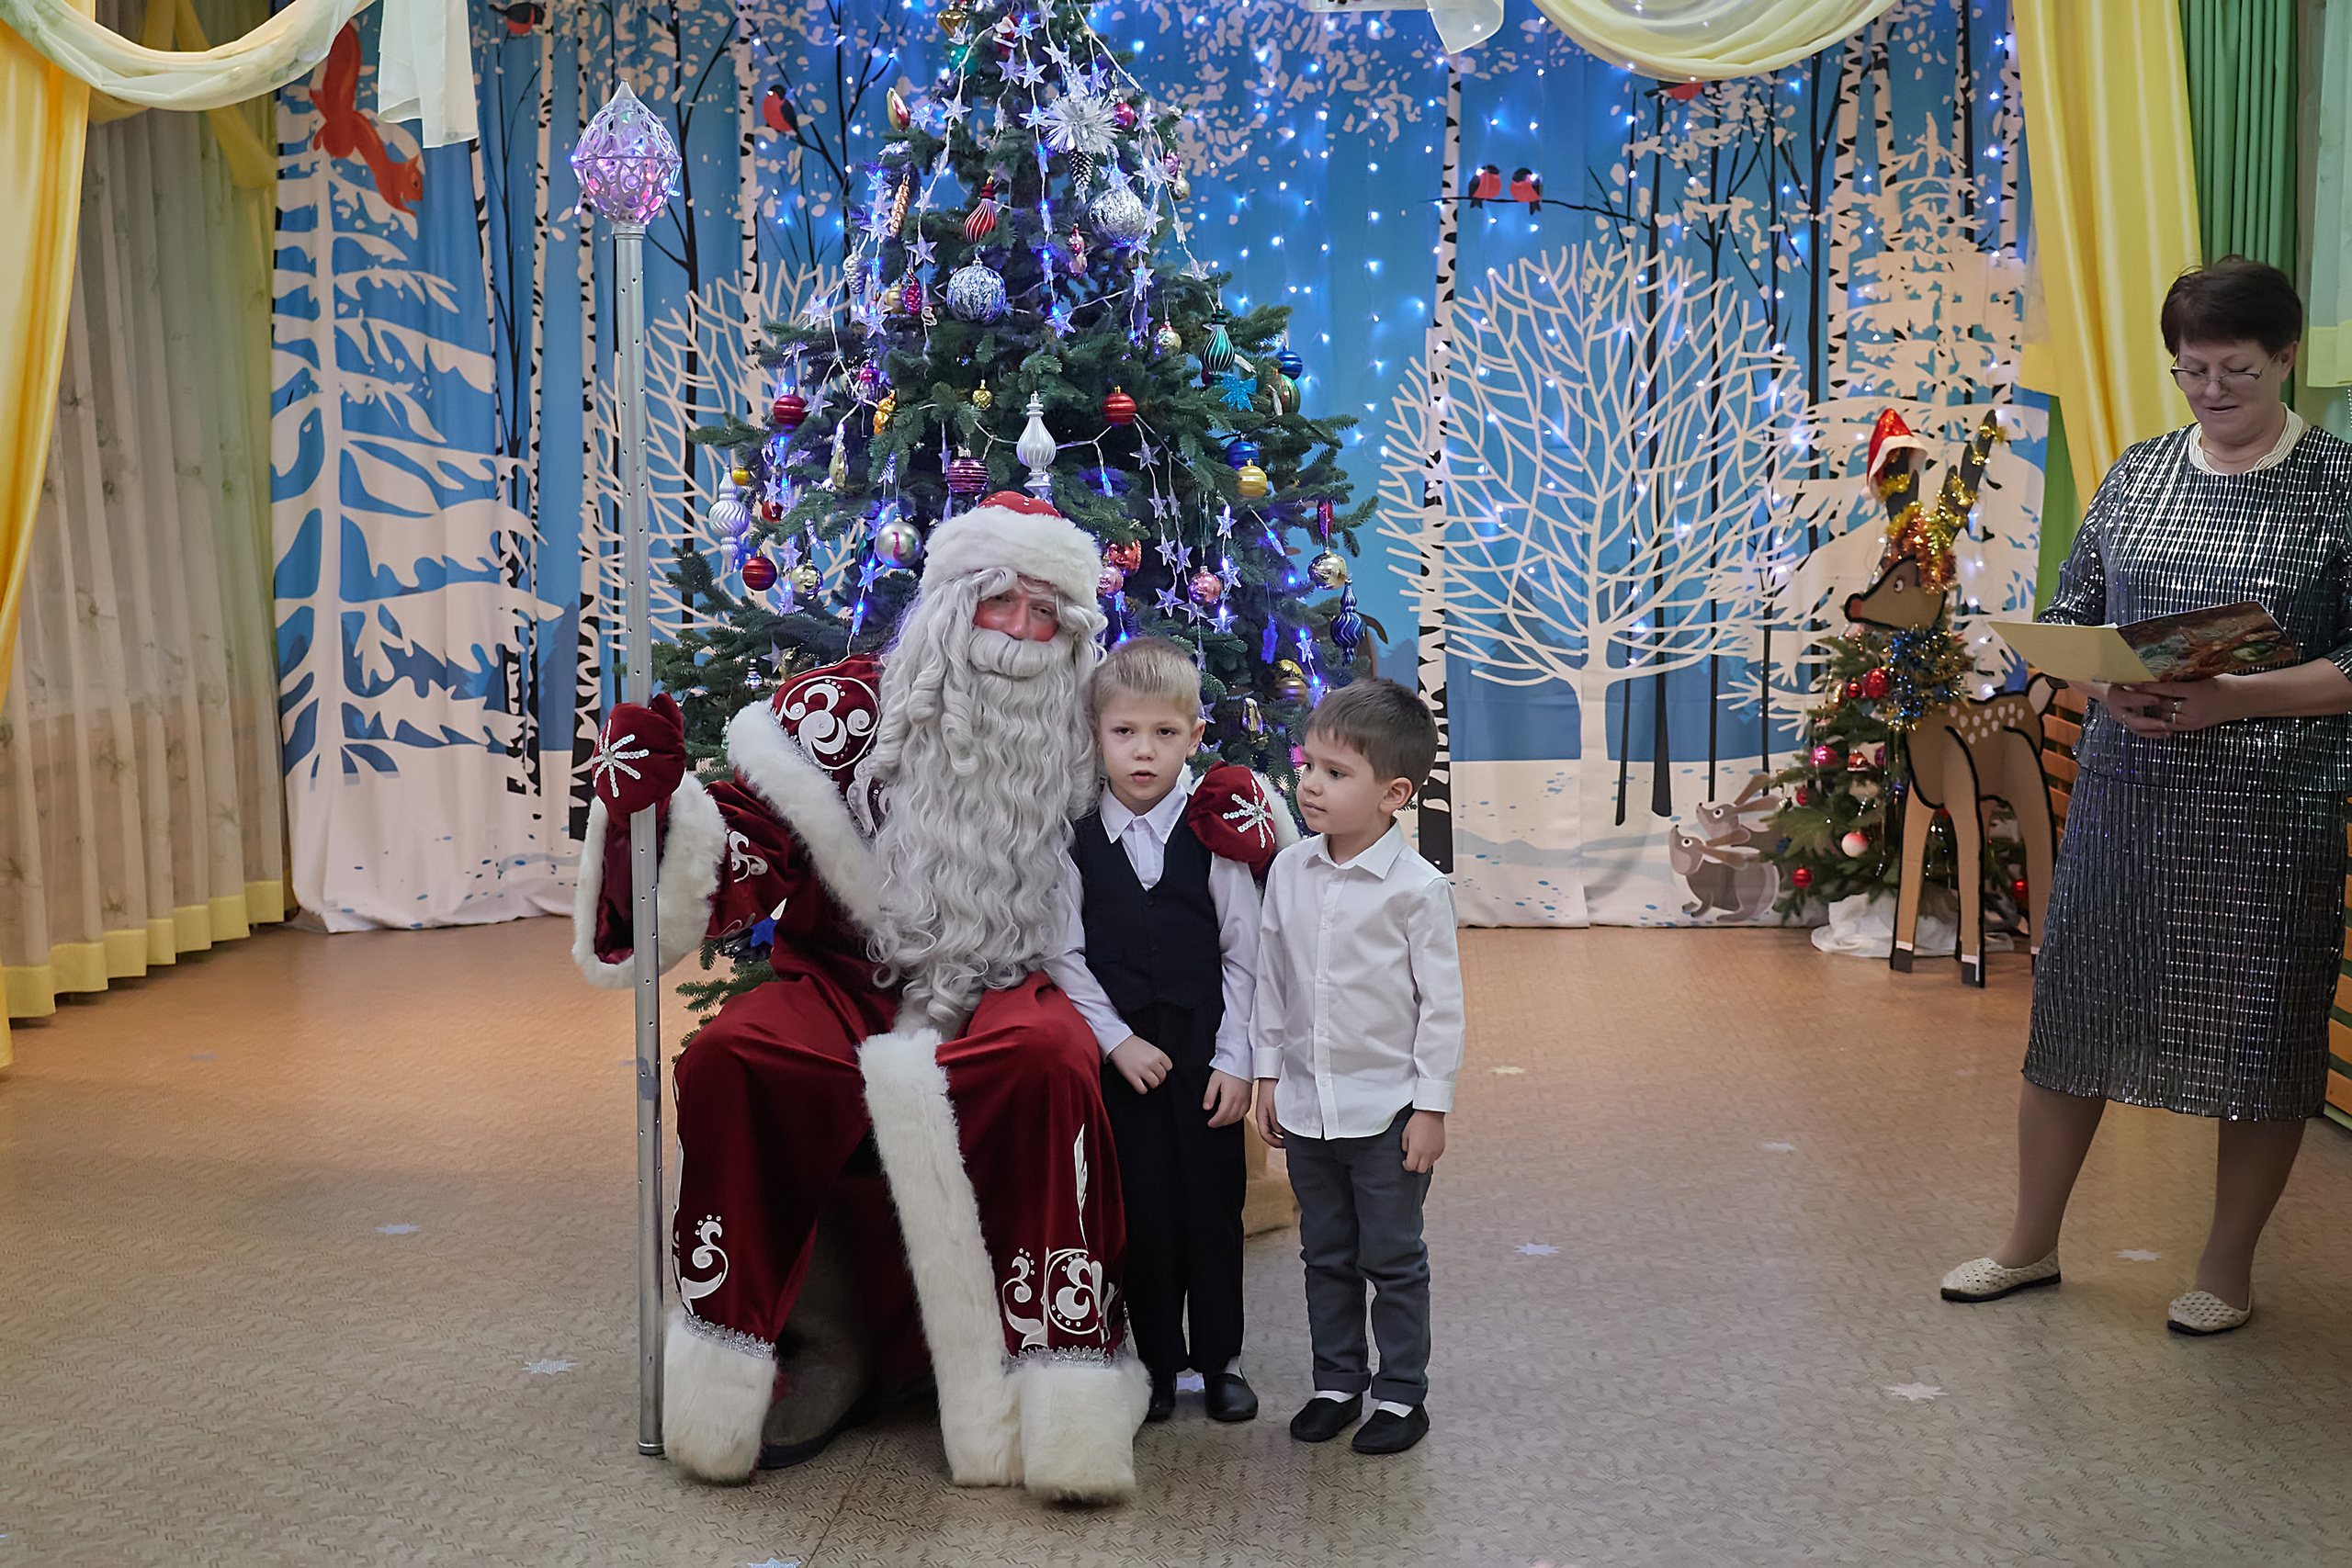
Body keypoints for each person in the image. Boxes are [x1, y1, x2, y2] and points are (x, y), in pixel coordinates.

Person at [574, 492, 1150, 1500]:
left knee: (1045, 1061)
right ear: (947, 607)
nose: (1020, 633)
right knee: (735, 1058)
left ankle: (1049, 1374)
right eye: (998, 604)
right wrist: (654, 807)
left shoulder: (1087, 721)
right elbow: (738, 853)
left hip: (1014, 980)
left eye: (1044, 613)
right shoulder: (840, 715)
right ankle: (809, 1347)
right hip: (842, 980)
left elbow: (1165, 811)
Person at [1942, 259, 2352, 1336]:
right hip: (2131, 795)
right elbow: (2076, 611)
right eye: (2190, 372)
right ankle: (2026, 1244)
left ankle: (2225, 1269)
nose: (2211, 391)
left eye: (2236, 371)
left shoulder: (2338, 484)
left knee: (2259, 1034)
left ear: (2286, 359)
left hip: (2272, 805)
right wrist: (2095, 675)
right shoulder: (2134, 475)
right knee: (2076, 1015)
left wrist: (2236, 698)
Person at [1043, 637, 1293, 1427]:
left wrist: (1236, 1060)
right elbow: (1063, 953)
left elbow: (1244, 953)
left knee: (1210, 1205)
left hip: (1203, 1050)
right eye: (1125, 733)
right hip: (1121, 1055)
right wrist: (1115, 1039)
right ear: (1096, 734)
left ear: (1193, 734)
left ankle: (1220, 1359)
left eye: (1163, 733)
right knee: (1141, 1207)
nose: (1143, 751)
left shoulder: (1213, 831)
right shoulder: (1075, 833)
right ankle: (1152, 1361)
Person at [1251, 679, 1463, 1455]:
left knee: (1393, 1256)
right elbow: (1272, 981)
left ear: (1393, 794)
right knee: (1325, 1252)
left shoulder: (1416, 891)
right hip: (1308, 1107)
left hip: (1388, 1113)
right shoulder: (1288, 872)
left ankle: (1403, 1394)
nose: (1309, 783)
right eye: (1309, 764)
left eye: (1336, 773)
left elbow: (1441, 1007)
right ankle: (1337, 1381)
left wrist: (1431, 1108)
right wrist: (1269, 1075)